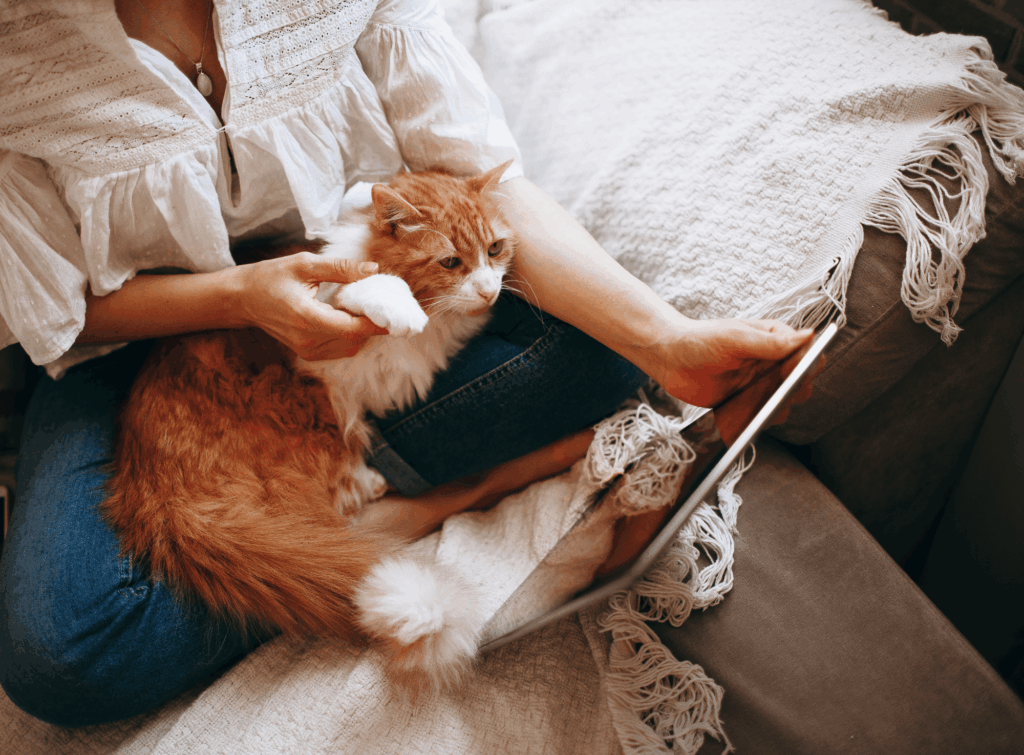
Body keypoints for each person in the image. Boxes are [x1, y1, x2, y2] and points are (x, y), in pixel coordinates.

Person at [0, 0, 814, 727]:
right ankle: (425, 501)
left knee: (605, 353)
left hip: (379, 303)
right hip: (130, 349)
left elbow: (480, 183)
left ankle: (334, 503)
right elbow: (60, 307)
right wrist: (246, 295)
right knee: (64, 656)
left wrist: (665, 342)